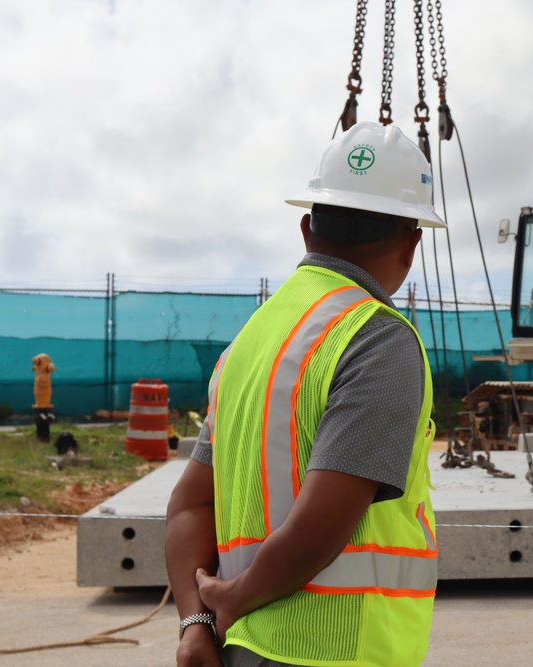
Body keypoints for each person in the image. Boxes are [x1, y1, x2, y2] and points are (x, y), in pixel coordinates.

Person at [165, 121, 446, 667]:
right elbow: (320, 526)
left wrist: (196, 623)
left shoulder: (251, 340)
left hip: (243, 647)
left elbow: (188, 504)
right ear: (412, 244)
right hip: (338, 649)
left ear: (306, 228)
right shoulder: (378, 336)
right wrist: (230, 601)